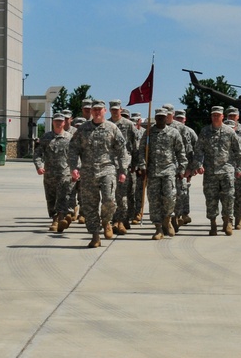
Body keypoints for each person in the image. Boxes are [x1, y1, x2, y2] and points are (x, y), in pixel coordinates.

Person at [68, 100, 130, 248]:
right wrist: (74, 167)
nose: (97, 112)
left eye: (99, 109)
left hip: (107, 169)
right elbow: (73, 148)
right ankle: (95, 235)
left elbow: (122, 150)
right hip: (88, 171)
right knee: (90, 205)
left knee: (109, 200)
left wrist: (123, 170)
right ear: (91, 111)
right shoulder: (83, 129)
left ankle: (106, 221)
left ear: (105, 111)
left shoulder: (112, 128)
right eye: (94, 109)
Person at [136, 108, 187, 240]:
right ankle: (158, 228)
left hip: (169, 170)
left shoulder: (173, 132)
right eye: (158, 117)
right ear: (155, 117)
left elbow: (180, 152)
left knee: (170, 197)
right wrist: (142, 166)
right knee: (154, 201)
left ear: (166, 118)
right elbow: (142, 151)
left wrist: (182, 168)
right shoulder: (148, 133)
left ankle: (167, 218)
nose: (160, 119)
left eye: (163, 117)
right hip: (153, 171)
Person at [194, 106, 241, 236]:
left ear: (222, 116)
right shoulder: (205, 131)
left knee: (228, 198)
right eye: (214, 115)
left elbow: (238, 152)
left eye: (218, 115)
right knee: (211, 199)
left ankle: (227, 222)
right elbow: (198, 150)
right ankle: (213, 224)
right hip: (210, 172)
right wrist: (199, 165)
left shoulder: (229, 132)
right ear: (211, 117)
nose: (216, 117)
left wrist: (240, 168)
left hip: (226, 171)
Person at [33, 113, 74, 231]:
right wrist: (39, 166)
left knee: (63, 196)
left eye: (61, 121)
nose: (58, 123)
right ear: (53, 122)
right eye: (56, 121)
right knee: (51, 198)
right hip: (49, 174)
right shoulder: (46, 137)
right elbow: (37, 154)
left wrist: (76, 169)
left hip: (64, 173)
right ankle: (55, 217)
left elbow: (75, 155)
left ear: (64, 123)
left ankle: (59, 219)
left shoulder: (70, 138)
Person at [108, 99, 139, 235]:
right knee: (111, 194)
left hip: (124, 164)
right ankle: (114, 220)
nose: (115, 111)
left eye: (117, 109)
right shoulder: (106, 124)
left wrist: (135, 164)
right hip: (109, 164)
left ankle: (121, 220)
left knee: (123, 194)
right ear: (110, 110)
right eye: (113, 109)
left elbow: (135, 146)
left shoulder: (128, 124)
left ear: (121, 109)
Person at [172, 108, 198, 229]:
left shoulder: (189, 131)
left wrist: (192, 168)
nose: (179, 120)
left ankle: (184, 213)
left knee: (184, 190)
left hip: (185, 166)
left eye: (181, 118)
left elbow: (194, 149)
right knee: (177, 191)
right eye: (177, 118)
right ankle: (176, 215)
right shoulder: (171, 129)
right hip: (173, 166)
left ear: (185, 119)